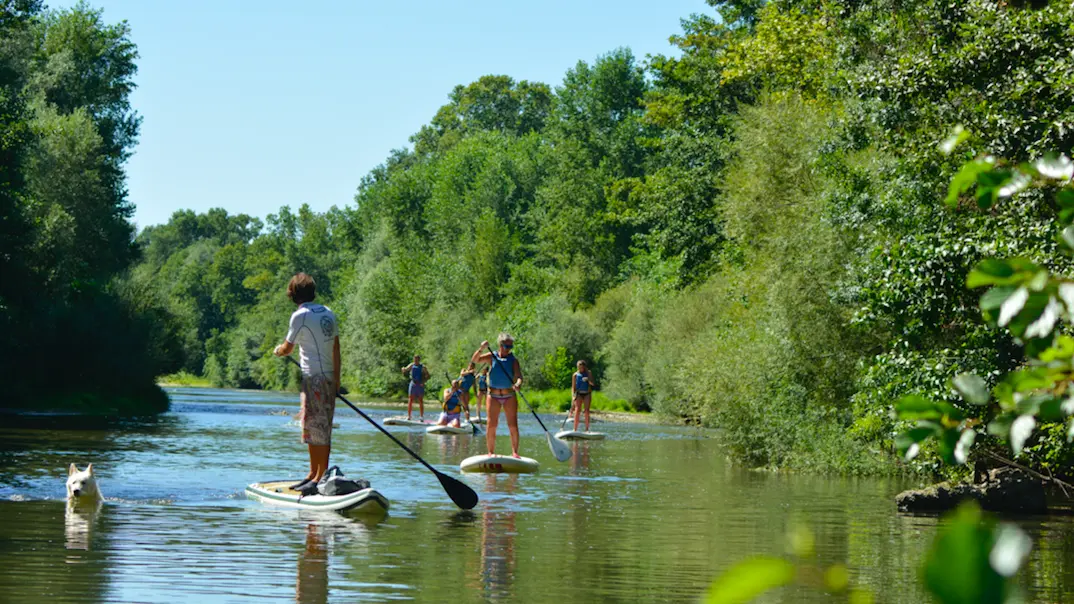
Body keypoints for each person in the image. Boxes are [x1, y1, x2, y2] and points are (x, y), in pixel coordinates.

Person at [273, 272, 340, 495]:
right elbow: (336, 348)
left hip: (314, 377)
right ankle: (313, 474)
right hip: (328, 376)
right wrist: (337, 381)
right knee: (316, 426)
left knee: (317, 428)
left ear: (293, 294)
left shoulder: (299, 316)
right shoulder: (328, 313)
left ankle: (319, 476)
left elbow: (287, 347)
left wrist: (279, 351)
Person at [471, 333, 523, 458]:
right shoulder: (491, 356)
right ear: (500, 345)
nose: (508, 349)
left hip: (509, 395)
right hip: (493, 396)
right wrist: (481, 348)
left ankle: (515, 452)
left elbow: (520, 377)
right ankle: (490, 452)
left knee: (512, 425)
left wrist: (517, 384)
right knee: (491, 424)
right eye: (506, 346)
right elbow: (475, 360)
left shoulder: (513, 360)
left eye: (510, 346)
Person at [401, 355, 430, 421]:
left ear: (419, 360)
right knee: (410, 400)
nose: (415, 361)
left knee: (420, 400)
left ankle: (421, 417)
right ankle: (409, 416)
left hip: (420, 384)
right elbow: (405, 369)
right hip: (413, 383)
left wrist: (423, 382)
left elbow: (428, 376)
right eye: (414, 359)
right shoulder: (411, 365)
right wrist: (403, 369)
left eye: (417, 359)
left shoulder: (423, 367)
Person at [572, 360, 596, 432]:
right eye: (579, 367)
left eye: (582, 367)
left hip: (587, 393)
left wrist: (588, 380)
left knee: (586, 411)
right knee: (577, 410)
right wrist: (573, 396)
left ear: (584, 367)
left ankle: (587, 429)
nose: (581, 369)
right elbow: (573, 387)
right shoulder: (575, 375)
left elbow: (592, 384)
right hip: (578, 393)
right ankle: (575, 429)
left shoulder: (588, 373)